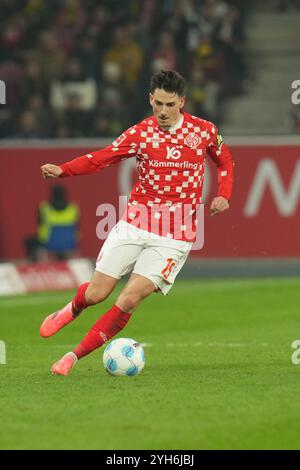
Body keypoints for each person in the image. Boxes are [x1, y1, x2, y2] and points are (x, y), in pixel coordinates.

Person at [40, 70, 234, 376]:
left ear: (182, 102)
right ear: (150, 100)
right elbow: (101, 158)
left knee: (129, 298)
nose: (163, 111)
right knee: (96, 294)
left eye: (170, 104)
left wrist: (224, 195)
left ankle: (72, 357)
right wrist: (63, 170)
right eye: (158, 103)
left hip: (176, 234)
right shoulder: (140, 134)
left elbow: (224, 161)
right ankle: (72, 309)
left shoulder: (204, 131)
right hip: (136, 223)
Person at [24, 184, 79, 262]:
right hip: (69, 243)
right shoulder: (73, 208)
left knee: (29, 241)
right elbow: (77, 226)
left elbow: (39, 224)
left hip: (48, 243)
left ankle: (33, 269)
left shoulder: (44, 207)